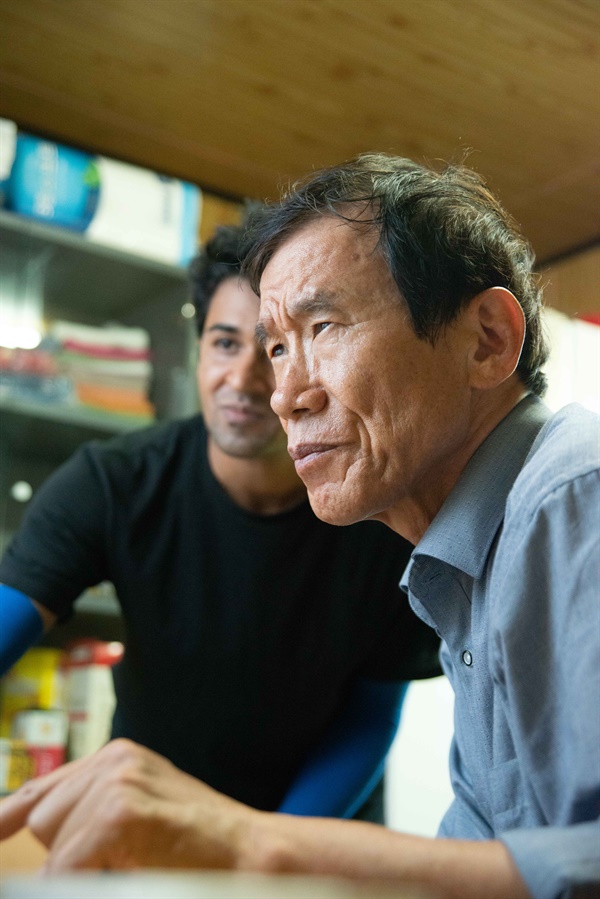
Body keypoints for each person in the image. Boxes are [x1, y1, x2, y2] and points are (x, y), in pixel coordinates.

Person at [1, 154, 598, 899]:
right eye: (276, 345)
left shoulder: (573, 499)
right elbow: (493, 848)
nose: (281, 393)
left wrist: (255, 847)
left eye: (324, 326)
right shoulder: (455, 561)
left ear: (486, 340)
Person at [0, 217, 441, 824]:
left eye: (273, 349)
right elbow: (12, 615)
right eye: (225, 343)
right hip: (147, 814)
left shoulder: (379, 514)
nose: (243, 380)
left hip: (314, 830)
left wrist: (269, 847)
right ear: (199, 348)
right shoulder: (115, 482)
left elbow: (370, 717)